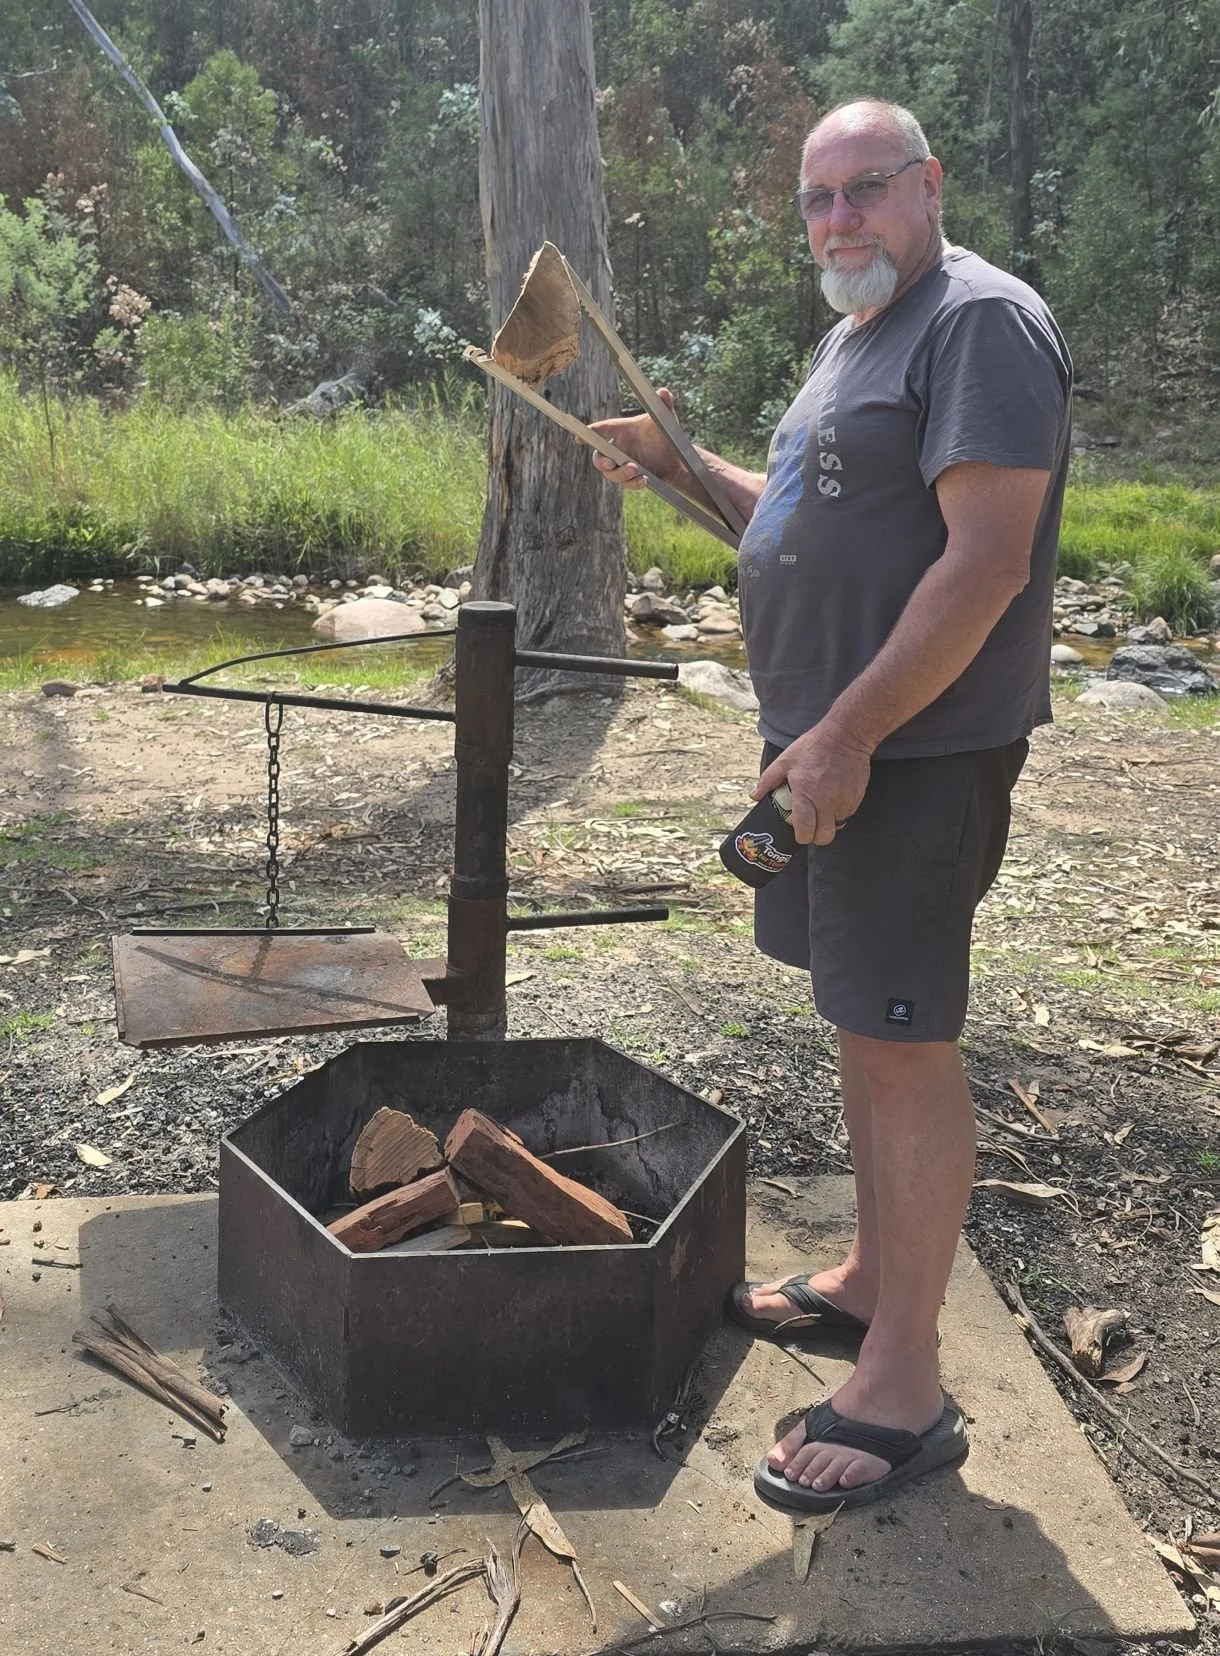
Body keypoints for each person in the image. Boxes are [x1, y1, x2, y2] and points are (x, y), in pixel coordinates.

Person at [589, 97, 1072, 1512]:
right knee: (865, 1028)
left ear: (932, 185)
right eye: (819, 198)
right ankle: (873, 1282)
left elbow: (985, 563)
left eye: (869, 188)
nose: (842, 217)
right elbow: (801, 521)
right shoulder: (862, 332)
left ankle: (907, 1388)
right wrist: (683, 466)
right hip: (832, 750)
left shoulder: (979, 322)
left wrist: (852, 732)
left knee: (904, 1042)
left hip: (910, 754)